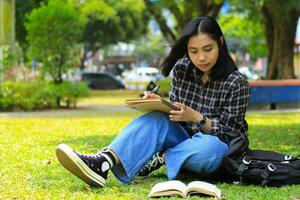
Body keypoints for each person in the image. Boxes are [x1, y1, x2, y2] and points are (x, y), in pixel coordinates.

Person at [56, 16, 249, 187]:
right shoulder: (182, 69)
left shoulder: (236, 82)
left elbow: (230, 135)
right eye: (193, 51)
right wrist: (161, 104)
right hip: (185, 139)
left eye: (208, 49)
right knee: (156, 118)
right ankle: (103, 163)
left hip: (217, 148)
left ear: (220, 43)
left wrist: (198, 118)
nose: (201, 57)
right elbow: (175, 118)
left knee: (210, 149)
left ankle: (161, 155)